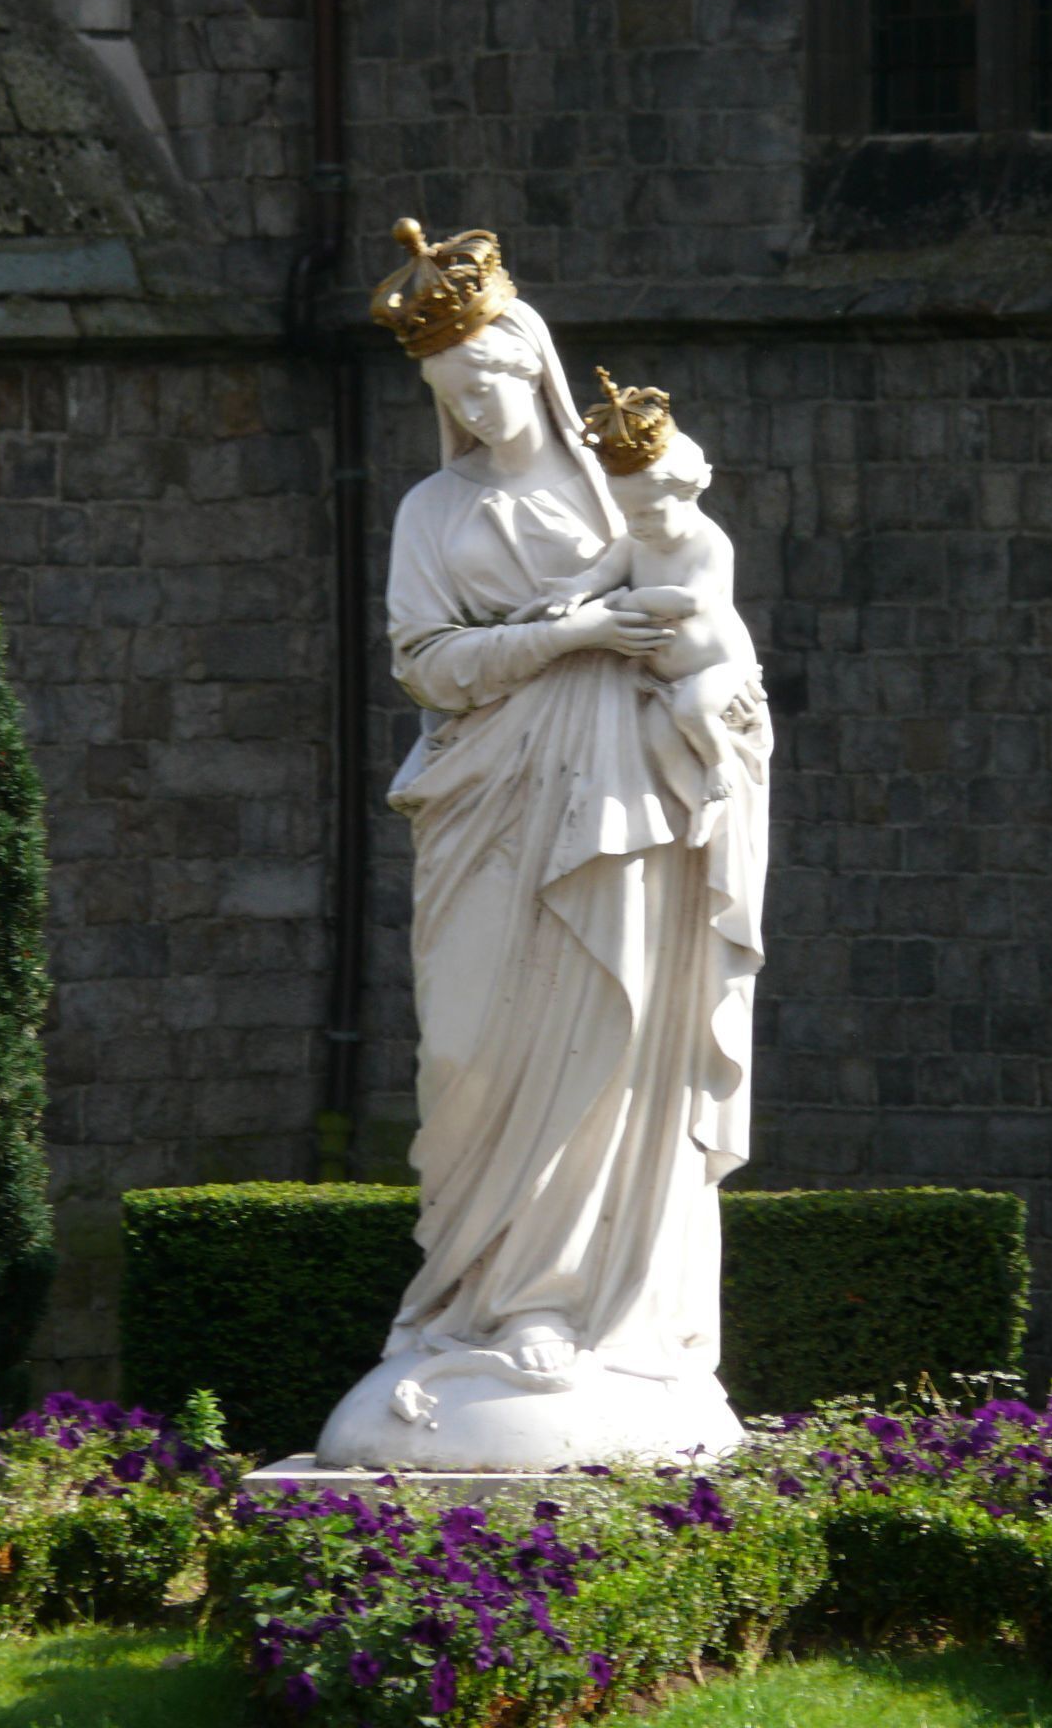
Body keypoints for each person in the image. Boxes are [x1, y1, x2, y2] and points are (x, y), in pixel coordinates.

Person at [317, 221, 771, 1467]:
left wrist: (676, 616)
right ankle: (466, 1299)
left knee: (608, 1046)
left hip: (621, 796)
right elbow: (427, 665)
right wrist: (568, 634)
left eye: (489, 381)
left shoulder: (616, 486)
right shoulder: (426, 511)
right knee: (465, 1050)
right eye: (450, 392)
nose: (473, 405)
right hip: (486, 799)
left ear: (535, 369)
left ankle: (559, 1310)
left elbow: (703, 609)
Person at [509, 367, 760, 849]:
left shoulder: (709, 543)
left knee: (691, 710)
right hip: (662, 678)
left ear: (686, 493)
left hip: (719, 666)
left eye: (649, 512)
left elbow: (692, 601)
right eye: (628, 514)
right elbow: (601, 573)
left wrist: (630, 600)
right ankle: (701, 808)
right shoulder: (635, 541)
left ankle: (720, 767)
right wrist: (576, 591)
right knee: (658, 740)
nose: (637, 525)